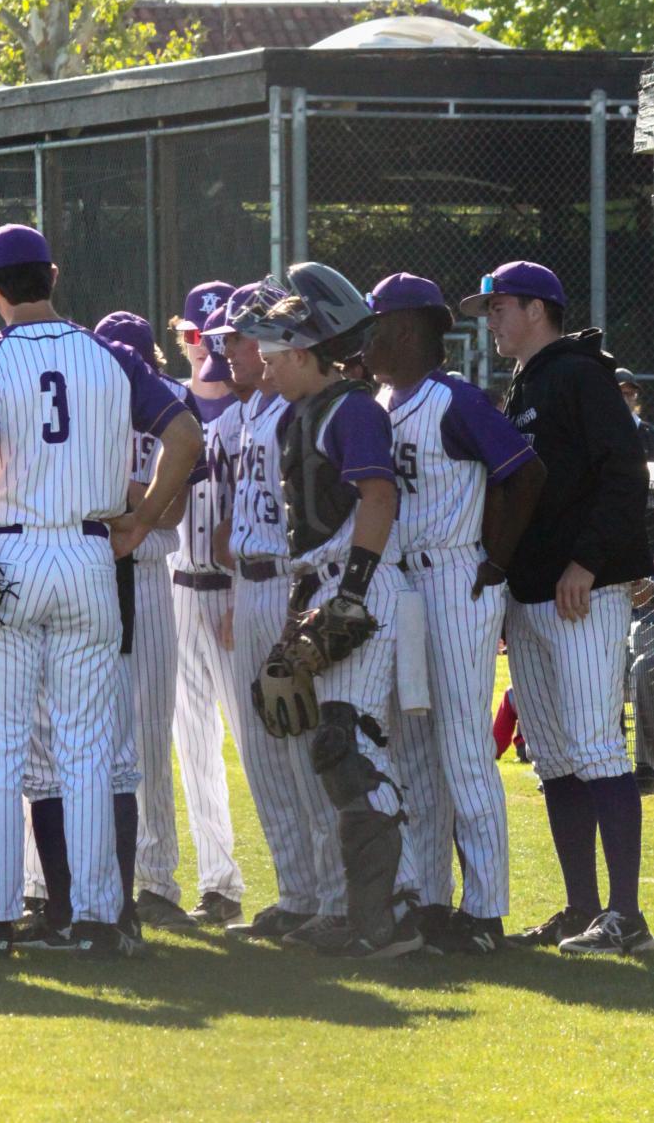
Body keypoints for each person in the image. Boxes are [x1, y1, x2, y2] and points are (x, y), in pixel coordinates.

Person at [0, 223, 203, 957]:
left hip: (10, 554)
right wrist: (142, 518)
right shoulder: (111, 355)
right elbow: (185, 437)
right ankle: (96, 919)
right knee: (88, 750)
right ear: (52, 274)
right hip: (89, 555)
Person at [460, 260, 653, 955]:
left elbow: (623, 475)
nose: (491, 321)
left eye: (499, 307)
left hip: (582, 591)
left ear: (538, 307)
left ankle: (626, 916)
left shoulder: (577, 374)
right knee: (553, 758)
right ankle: (579, 908)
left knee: (596, 747)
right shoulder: (526, 383)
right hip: (533, 594)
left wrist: (592, 561)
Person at [239, 262, 423, 960]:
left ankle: (386, 916)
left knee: (350, 741)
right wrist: (296, 622)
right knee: (341, 747)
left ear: (307, 351)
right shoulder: (300, 414)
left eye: (276, 353)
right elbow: (302, 538)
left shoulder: (353, 408)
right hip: (325, 585)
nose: (265, 363)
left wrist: (350, 593)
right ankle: (377, 906)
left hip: (360, 585)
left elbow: (377, 498)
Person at [364, 273, 544, 953]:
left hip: (454, 576)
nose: (368, 337)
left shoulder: (455, 400)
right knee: (411, 744)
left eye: (377, 323)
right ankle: (426, 898)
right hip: (405, 583)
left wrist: (493, 563)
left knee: (465, 746)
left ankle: (486, 909)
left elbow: (524, 473)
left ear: (407, 329)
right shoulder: (382, 398)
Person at [210, 288, 343, 948]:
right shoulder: (246, 412)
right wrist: (234, 598)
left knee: (301, 743)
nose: (229, 349)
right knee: (265, 752)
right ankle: (296, 890)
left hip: (291, 585)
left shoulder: (299, 409)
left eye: (240, 337)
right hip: (250, 585)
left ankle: (332, 893)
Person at [93, 309, 200, 931]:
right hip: (93, 574)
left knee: (153, 738)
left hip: (152, 577)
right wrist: (136, 494)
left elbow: (172, 506)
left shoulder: (173, 403)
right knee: (78, 732)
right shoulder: (86, 397)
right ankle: (55, 877)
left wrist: (126, 496)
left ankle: (157, 881)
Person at [166, 282, 247, 926]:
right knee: (192, 747)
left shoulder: (255, 410)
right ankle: (219, 882)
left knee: (259, 745)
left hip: (238, 594)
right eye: (197, 336)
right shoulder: (165, 405)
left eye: (217, 339)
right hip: (176, 588)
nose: (207, 351)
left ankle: (314, 890)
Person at [615, 369, 654, 460]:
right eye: (621, 393)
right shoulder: (599, 430)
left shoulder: (648, 433)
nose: (625, 399)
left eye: (631, 394)